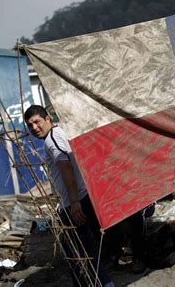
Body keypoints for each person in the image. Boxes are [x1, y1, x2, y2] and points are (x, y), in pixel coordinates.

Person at [24, 105, 115, 286]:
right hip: (78, 199)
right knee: (78, 250)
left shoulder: (51, 139)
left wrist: (74, 202)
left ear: (48, 119)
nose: (34, 128)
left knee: (81, 251)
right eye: (30, 125)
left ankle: (104, 283)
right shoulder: (58, 133)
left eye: (37, 122)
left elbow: (66, 167)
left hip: (75, 202)